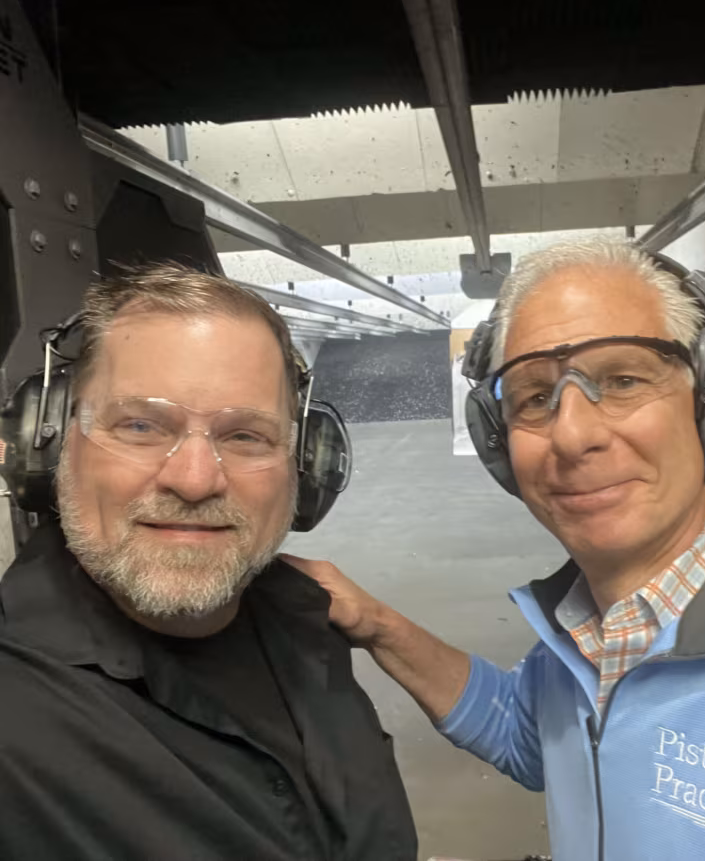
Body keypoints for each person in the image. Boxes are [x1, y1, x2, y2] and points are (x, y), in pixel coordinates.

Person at [290, 240, 705, 860]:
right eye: (534, 398)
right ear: (498, 441)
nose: (573, 435)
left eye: (623, 380)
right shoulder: (588, 628)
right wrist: (377, 624)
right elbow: (527, 737)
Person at [0, 263, 416, 860]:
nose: (194, 480)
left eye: (245, 436)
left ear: (304, 465)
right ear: (49, 442)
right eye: (140, 425)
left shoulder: (307, 621)